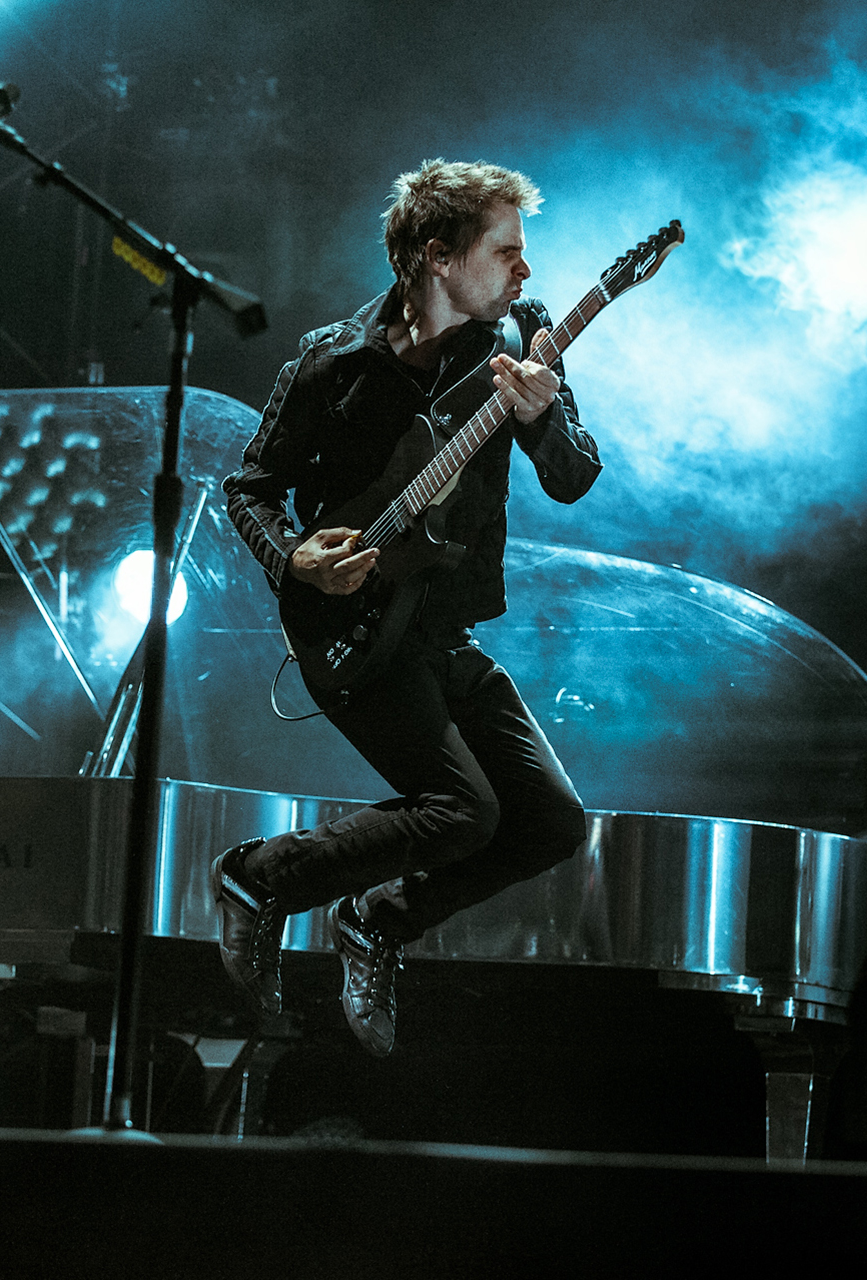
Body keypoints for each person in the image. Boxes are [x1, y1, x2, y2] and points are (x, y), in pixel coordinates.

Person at [216, 159, 601, 1056]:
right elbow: (250, 488)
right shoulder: (330, 363)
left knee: (553, 820)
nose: (525, 270)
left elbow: (575, 475)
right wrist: (295, 558)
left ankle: (377, 920)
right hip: (352, 632)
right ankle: (257, 877)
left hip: (444, 626)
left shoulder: (524, 339)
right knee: (463, 810)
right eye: (505, 251)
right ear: (438, 256)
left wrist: (541, 417)